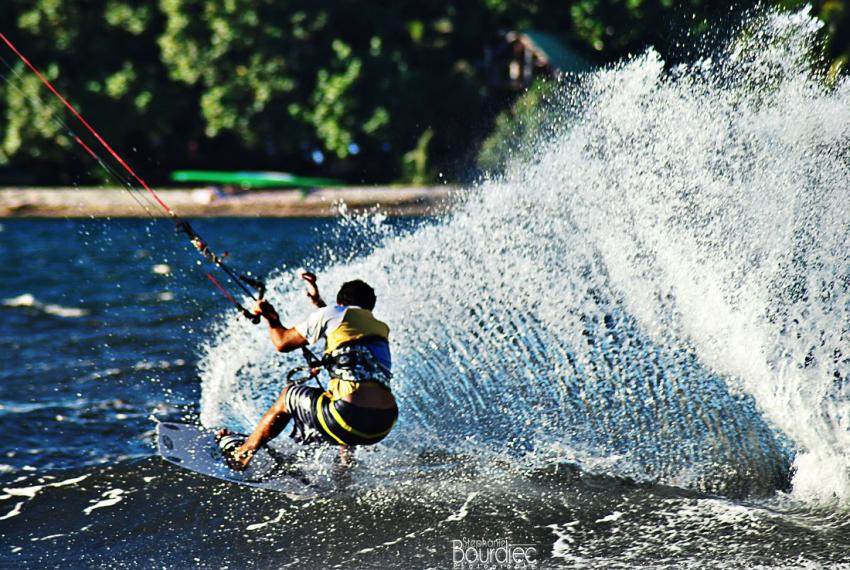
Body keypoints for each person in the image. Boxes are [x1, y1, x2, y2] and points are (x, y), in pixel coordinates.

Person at [217, 271, 397, 470]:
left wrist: (272, 318)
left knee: (288, 395)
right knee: (344, 394)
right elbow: (339, 326)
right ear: (369, 308)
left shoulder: (333, 314)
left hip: (348, 417)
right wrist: (317, 300)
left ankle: (242, 455)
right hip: (382, 424)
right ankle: (344, 474)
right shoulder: (380, 329)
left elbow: (282, 342)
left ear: (339, 303)